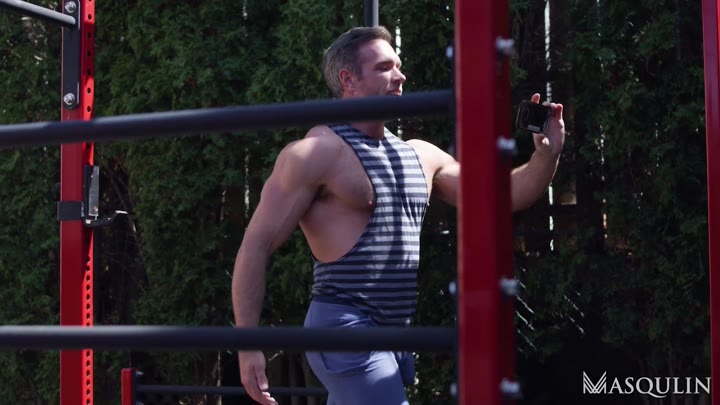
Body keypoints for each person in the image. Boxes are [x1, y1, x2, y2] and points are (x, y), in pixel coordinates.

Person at [232, 26, 565, 405]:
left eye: (399, 65)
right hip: (345, 328)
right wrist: (247, 343)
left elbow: (503, 197)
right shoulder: (317, 152)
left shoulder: (420, 154)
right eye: (384, 67)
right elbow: (256, 244)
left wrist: (546, 154)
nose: (400, 76)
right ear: (348, 79)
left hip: (396, 332)